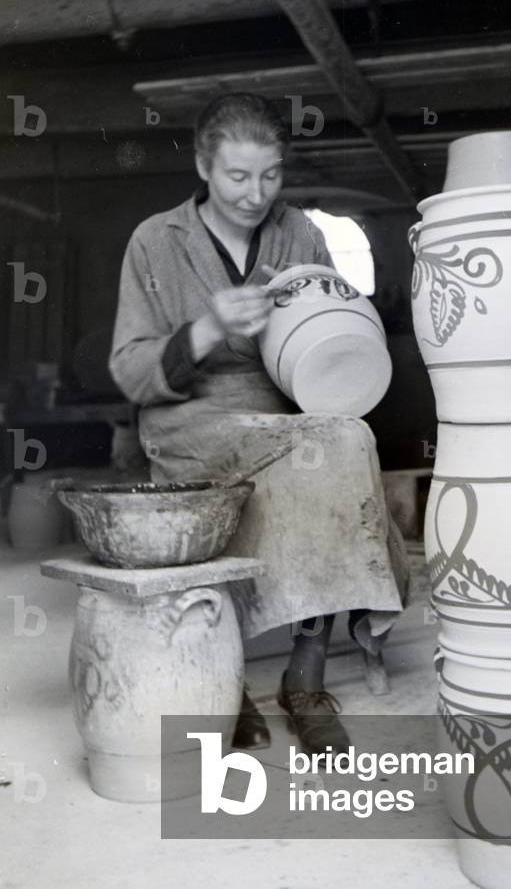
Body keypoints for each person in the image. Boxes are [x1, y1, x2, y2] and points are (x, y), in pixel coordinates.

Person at [109, 92, 407, 757]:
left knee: (344, 439)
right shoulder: (157, 241)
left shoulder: (300, 232)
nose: (254, 193)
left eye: (269, 175)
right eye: (237, 176)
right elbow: (128, 370)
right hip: (190, 419)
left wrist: (334, 350)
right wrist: (208, 327)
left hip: (282, 414)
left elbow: (330, 335)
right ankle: (228, 684)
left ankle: (305, 680)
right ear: (203, 164)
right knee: (322, 447)